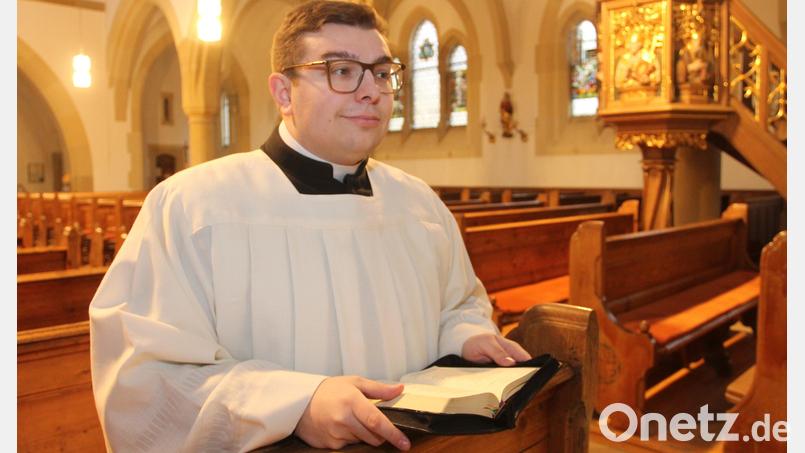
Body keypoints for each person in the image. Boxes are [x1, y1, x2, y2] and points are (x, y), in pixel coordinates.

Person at [89, 1, 530, 451]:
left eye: (380, 73)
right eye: (341, 70)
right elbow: (144, 378)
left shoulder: (419, 205)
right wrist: (296, 404)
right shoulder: (192, 207)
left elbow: (457, 304)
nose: (371, 91)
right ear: (283, 93)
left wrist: (467, 336)